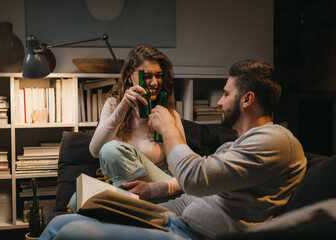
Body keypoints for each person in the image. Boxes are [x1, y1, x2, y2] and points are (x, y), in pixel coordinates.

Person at [40, 59, 307, 240]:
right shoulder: (234, 145)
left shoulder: (275, 140)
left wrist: (168, 128)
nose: (219, 103)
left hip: (188, 234)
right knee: (58, 223)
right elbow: (193, 191)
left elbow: (194, 178)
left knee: (70, 233)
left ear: (248, 99)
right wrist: (156, 209)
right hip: (173, 222)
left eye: (226, 94)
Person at [68, 44, 185, 213]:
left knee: (111, 149)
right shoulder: (114, 104)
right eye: (147, 76)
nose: (154, 82)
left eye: (159, 76)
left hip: (159, 183)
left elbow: (184, 172)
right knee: (77, 201)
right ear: (130, 77)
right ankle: (139, 211)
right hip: (123, 184)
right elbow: (94, 151)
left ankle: (143, 211)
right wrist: (122, 109)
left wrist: (154, 189)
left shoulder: (169, 113)